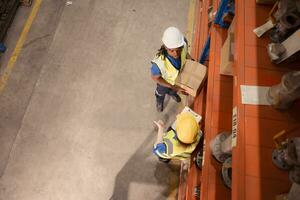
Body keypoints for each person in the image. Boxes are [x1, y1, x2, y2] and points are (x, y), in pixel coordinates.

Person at [150, 26, 194, 112]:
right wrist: (171, 86)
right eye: (172, 50)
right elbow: (155, 78)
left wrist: (191, 61)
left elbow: (185, 53)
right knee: (160, 92)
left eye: (178, 50)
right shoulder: (158, 64)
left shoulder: (183, 43)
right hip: (165, 83)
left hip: (176, 80)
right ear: (166, 47)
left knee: (174, 91)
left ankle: (172, 93)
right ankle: (159, 100)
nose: (176, 53)